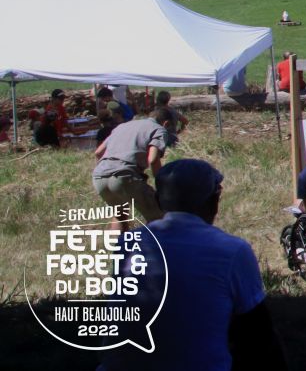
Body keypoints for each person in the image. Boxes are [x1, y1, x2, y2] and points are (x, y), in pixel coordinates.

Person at [105, 159, 286, 371]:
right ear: (214, 201)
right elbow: (257, 332)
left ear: (158, 200)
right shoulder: (232, 250)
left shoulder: (129, 243)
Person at [91, 109, 167, 228]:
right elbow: (153, 159)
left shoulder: (122, 127)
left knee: (120, 216)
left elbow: (98, 153)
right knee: (157, 217)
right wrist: (162, 187)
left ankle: (116, 246)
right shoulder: (158, 129)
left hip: (99, 176)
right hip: (125, 175)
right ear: (166, 123)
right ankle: (151, 246)